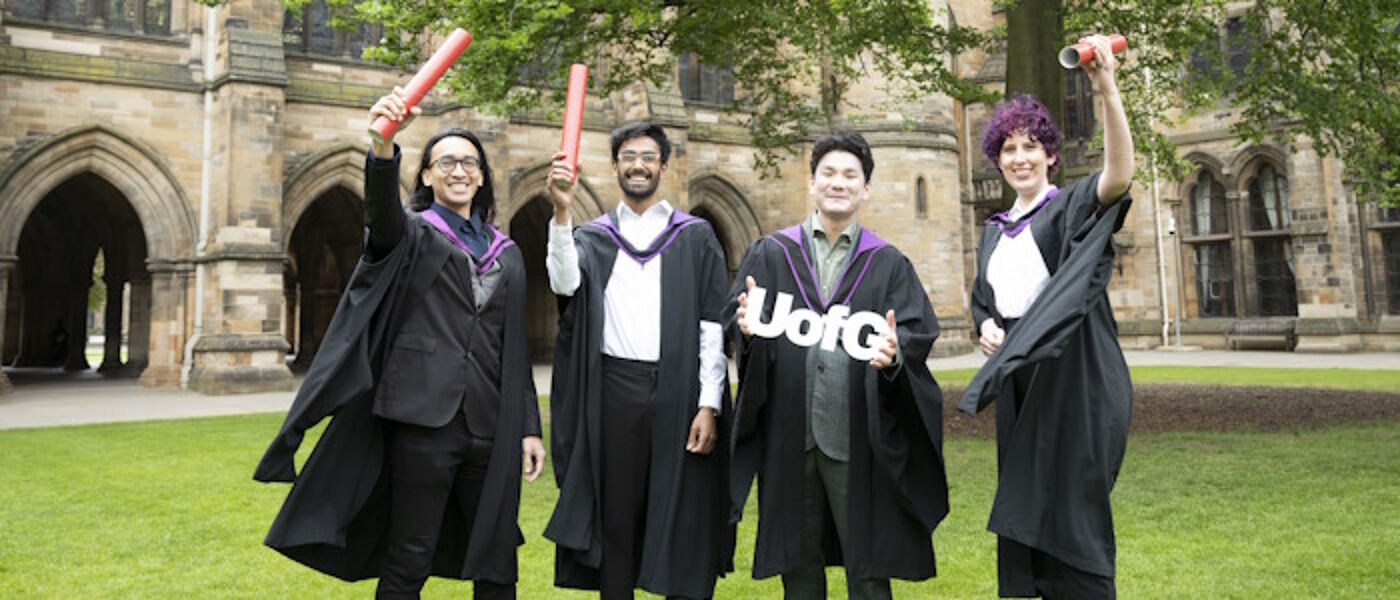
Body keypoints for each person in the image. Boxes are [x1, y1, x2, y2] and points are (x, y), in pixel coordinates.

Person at [253, 87, 546, 599]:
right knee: (409, 556)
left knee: (498, 559)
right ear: (427, 175)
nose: (459, 171)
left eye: (470, 163)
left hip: (490, 426)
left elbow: (512, 349)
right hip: (423, 423)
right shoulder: (412, 236)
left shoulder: (509, 253)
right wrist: (383, 145)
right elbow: (381, 217)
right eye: (446, 162)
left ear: (482, 176)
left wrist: (528, 428)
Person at [726, 131, 948, 599]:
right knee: (799, 571)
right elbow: (736, 320)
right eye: (828, 173)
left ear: (867, 188)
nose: (838, 183)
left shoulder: (887, 264)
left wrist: (893, 355)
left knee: (867, 569)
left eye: (851, 175)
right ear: (811, 183)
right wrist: (743, 331)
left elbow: (914, 333)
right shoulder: (772, 254)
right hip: (790, 437)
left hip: (858, 439)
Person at [960, 34, 1134, 599]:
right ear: (997, 159)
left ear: (1051, 155)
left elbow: (1118, 177)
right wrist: (985, 327)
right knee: (1022, 508)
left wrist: (1106, 90)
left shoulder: (1067, 208)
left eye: (1031, 146)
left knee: (1070, 508)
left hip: (1070, 376)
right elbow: (986, 300)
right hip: (1018, 388)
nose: (1019, 158)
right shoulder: (992, 231)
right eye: (1008, 148)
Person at [542, 122, 734, 600]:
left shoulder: (695, 237)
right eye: (628, 156)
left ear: (663, 166)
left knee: (684, 511)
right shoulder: (593, 236)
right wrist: (562, 211)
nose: (638, 165)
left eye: (648, 157)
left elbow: (712, 327)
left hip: (681, 391)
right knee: (618, 518)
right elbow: (564, 284)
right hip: (614, 389)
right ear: (614, 166)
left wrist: (709, 404)